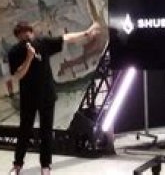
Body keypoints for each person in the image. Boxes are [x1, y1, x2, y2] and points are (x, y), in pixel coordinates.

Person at [7, 20, 101, 175]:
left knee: (46, 132)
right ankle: (17, 165)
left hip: (46, 95)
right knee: (24, 131)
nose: (27, 36)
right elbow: (18, 75)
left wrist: (86, 33)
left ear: (32, 32)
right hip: (29, 97)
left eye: (28, 32)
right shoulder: (14, 52)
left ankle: (46, 166)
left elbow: (65, 38)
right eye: (22, 34)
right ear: (18, 37)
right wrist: (29, 58)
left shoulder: (42, 43)